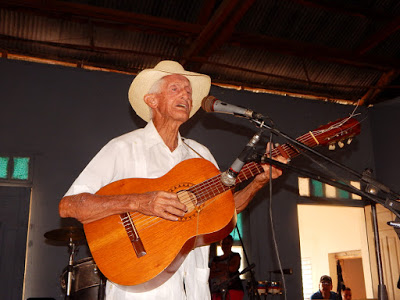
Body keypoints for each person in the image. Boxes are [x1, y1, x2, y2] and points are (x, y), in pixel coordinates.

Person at [59, 60, 286, 300]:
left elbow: (224, 212)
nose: (186, 96)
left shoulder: (201, 155)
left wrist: (258, 183)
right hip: (139, 291)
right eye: (175, 89)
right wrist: (140, 202)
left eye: (189, 91)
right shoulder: (123, 147)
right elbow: (70, 206)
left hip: (194, 291)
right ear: (152, 100)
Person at [209, 235, 244, 300]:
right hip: (217, 291)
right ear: (220, 244)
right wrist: (224, 269)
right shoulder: (215, 259)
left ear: (231, 244)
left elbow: (232, 268)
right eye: (223, 243)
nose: (225, 246)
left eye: (228, 243)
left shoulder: (235, 255)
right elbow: (211, 274)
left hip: (233, 289)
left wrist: (218, 266)